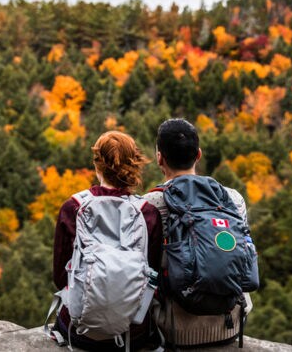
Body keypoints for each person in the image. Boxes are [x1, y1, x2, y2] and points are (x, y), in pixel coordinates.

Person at [144, 118, 254, 348]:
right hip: (229, 325)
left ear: (159, 158)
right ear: (199, 155)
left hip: (173, 329)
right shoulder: (233, 199)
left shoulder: (149, 204)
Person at [50, 131, 162, 351]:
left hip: (79, 331)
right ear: (133, 165)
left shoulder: (73, 207)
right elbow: (152, 276)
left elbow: (60, 277)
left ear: (97, 165)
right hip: (132, 331)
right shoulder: (147, 212)